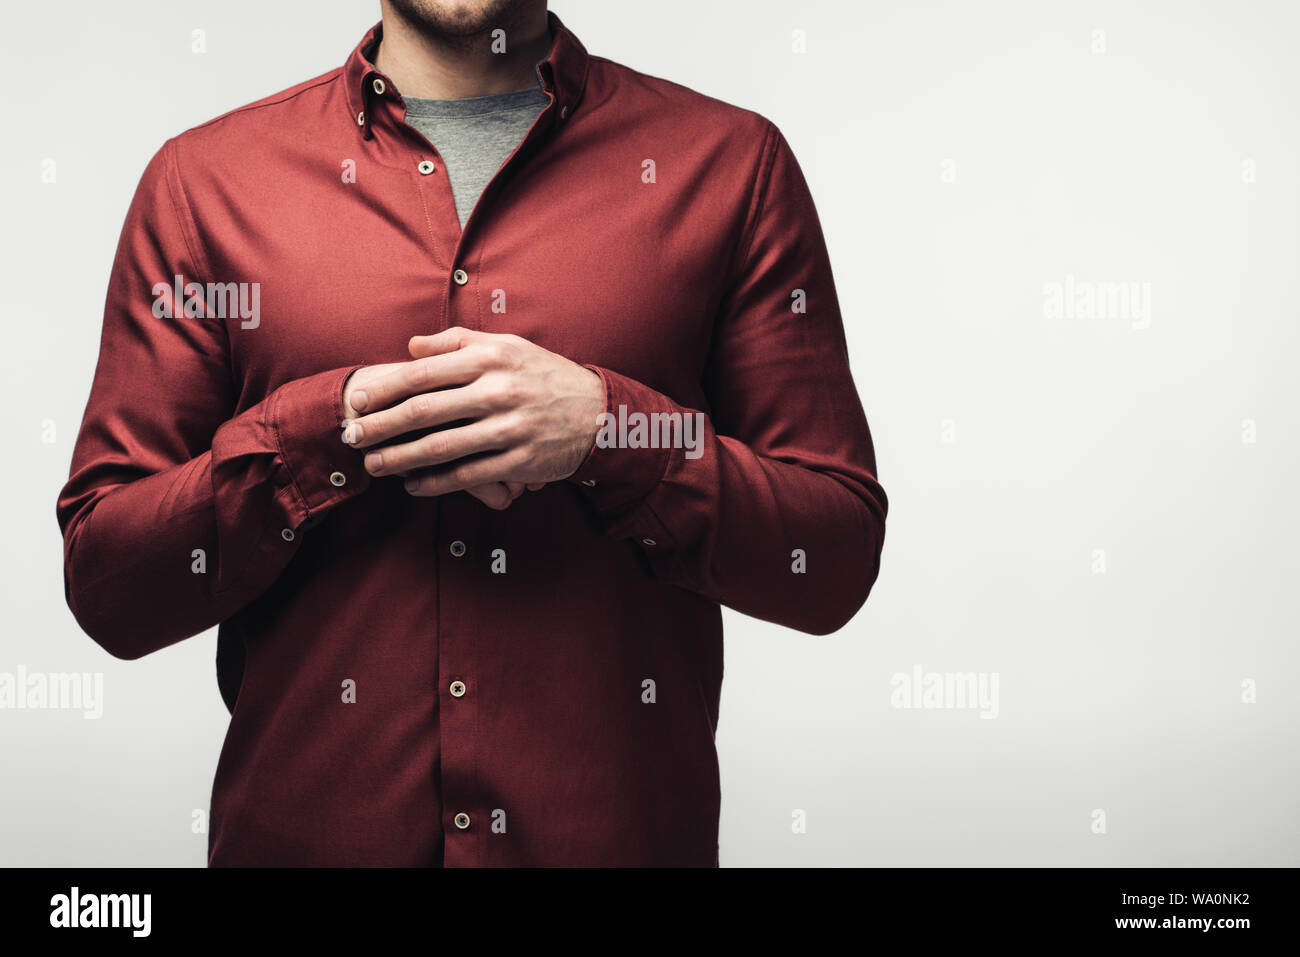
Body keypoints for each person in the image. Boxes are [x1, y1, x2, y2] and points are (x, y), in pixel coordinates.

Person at [56, 0, 888, 866]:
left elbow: (831, 556)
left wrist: (611, 432)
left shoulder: (730, 167)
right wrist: (324, 436)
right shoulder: (205, 184)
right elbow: (111, 584)